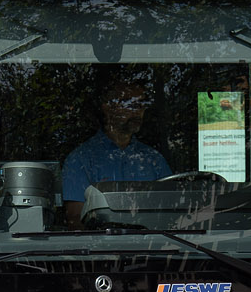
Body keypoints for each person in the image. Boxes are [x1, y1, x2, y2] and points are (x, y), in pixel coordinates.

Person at [61, 77, 170, 225]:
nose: (137, 110)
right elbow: (76, 220)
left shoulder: (154, 160)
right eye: (129, 103)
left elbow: (171, 213)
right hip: (102, 246)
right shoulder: (81, 160)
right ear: (107, 108)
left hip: (152, 245)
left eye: (141, 104)